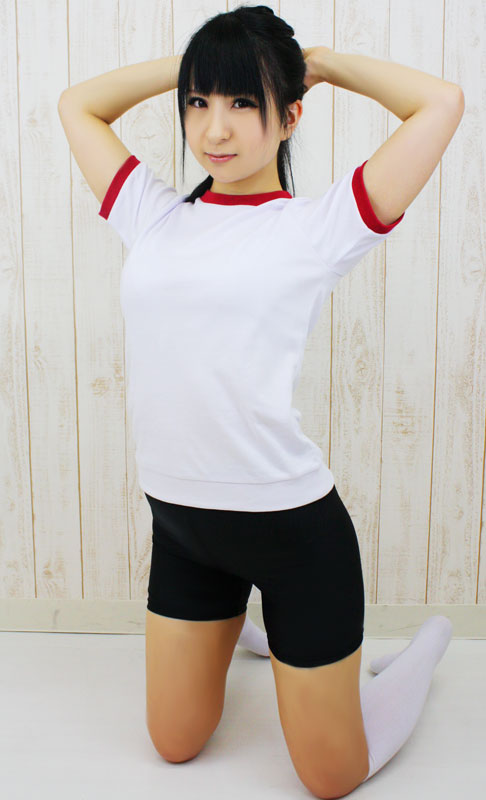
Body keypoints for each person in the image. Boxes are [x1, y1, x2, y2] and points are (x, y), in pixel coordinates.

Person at [58, 5, 464, 797]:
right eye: (199, 101)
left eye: (244, 101)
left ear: (290, 116)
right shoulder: (154, 214)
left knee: (330, 778)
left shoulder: (320, 226)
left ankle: (424, 649)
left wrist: (323, 62)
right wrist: (198, 61)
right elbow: (78, 104)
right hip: (184, 531)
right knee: (174, 745)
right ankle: (248, 628)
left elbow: (441, 103)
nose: (215, 128)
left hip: (293, 538)